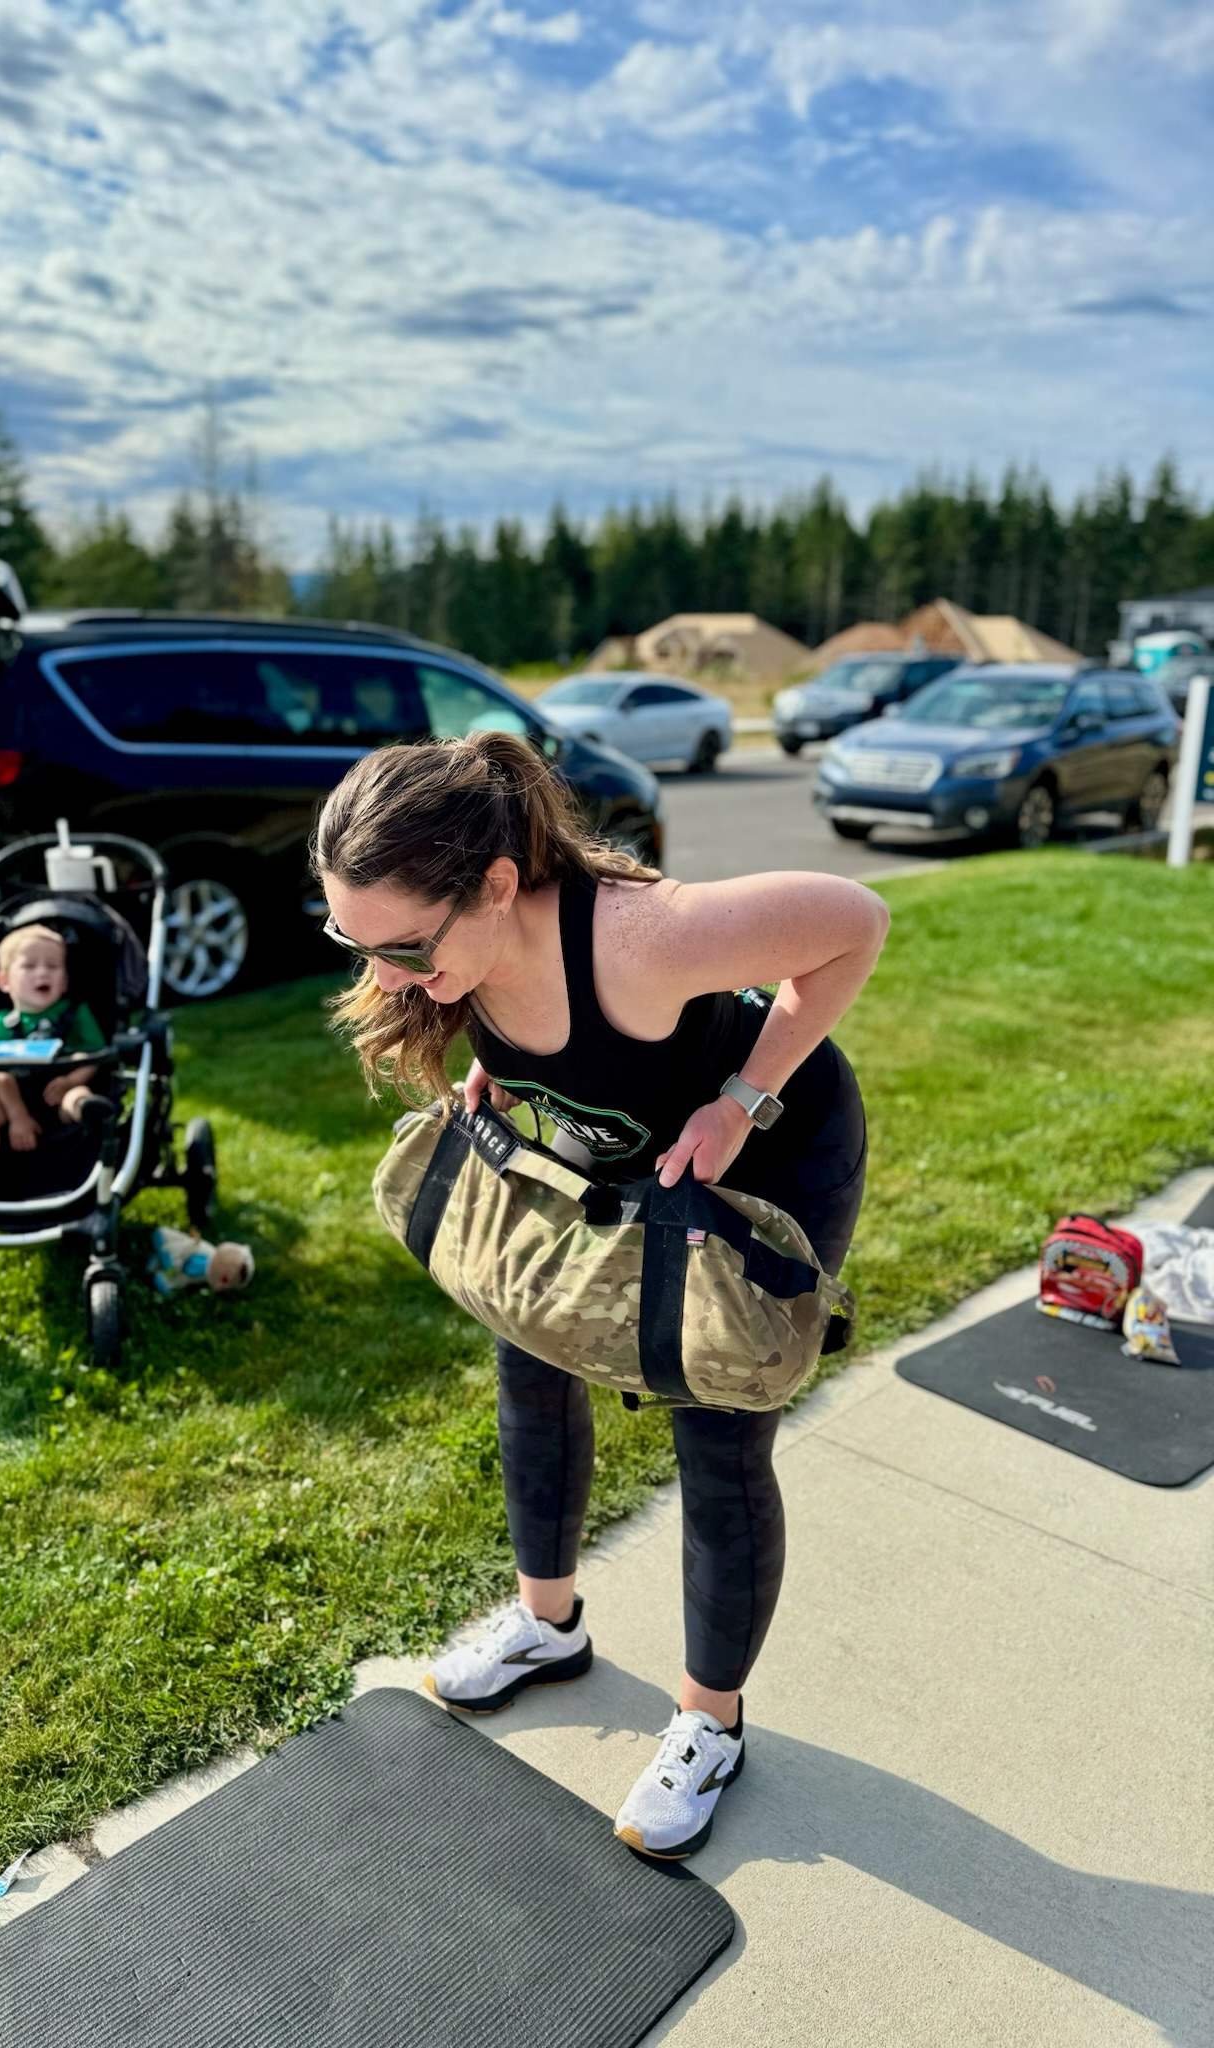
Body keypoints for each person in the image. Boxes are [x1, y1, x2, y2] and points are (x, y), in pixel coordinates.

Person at [312, 729, 887, 1860]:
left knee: (717, 1437)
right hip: (610, 1147)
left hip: (769, 1151)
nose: (380, 975)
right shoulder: (447, 948)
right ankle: (546, 1619)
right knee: (530, 1354)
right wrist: (498, 1067)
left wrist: (742, 1100)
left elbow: (855, 921)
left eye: (405, 946)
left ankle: (710, 1723)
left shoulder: (642, 936)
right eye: (352, 939)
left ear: (496, 886)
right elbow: (507, 1024)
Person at [0, 924, 111, 1197]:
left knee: (79, 1095)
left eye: (53, 966)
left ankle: (92, 1117)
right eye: (29, 966)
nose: (42, 972)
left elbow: (93, 1056)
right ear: (4, 981)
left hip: (58, 1096)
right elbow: (1, 1076)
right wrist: (17, 1116)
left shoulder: (75, 1014)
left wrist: (69, 1080)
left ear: (64, 980)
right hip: (14, 1102)